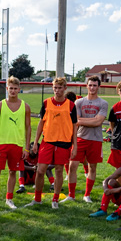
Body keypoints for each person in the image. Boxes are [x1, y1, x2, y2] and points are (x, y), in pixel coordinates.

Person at [28, 77, 78, 209]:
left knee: (59, 170)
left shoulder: (71, 105)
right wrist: (35, 141)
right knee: (40, 170)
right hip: (47, 141)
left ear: (65, 88)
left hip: (64, 142)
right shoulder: (46, 103)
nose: (57, 90)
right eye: (55, 88)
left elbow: (74, 126)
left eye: (60, 88)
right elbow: (41, 123)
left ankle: (55, 199)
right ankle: (37, 198)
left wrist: (75, 145)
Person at [0, 76, 31, 210]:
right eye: (10, 88)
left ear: (19, 90)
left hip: (17, 145)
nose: (13, 91)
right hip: (2, 144)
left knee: (13, 172)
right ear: (7, 89)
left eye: (15, 89)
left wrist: (27, 148)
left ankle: (9, 198)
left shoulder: (26, 107)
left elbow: (28, 128)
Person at [65, 75, 108, 204]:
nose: (92, 87)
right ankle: (71, 195)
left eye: (95, 85)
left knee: (92, 167)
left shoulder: (103, 103)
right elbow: (76, 121)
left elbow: (98, 122)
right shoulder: (79, 102)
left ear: (98, 87)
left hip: (95, 139)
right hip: (80, 137)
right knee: (72, 166)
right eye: (90, 85)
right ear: (86, 86)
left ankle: (87, 194)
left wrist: (85, 121)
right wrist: (92, 120)